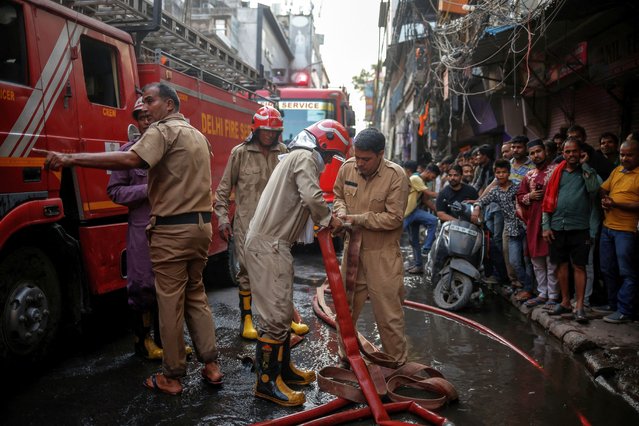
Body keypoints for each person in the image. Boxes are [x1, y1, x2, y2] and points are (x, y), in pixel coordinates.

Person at [35, 82, 223, 395]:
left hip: (172, 231)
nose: (145, 108)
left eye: (150, 101)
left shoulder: (163, 132)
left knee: (170, 303)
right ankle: (212, 366)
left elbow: (129, 161)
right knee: (196, 297)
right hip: (201, 228)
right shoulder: (198, 136)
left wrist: (70, 159)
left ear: (169, 105)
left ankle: (172, 376)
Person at [245, 119, 349, 407]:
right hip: (269, 244)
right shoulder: (303, 157)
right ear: (322, 144)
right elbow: (312, 196)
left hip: (275, 244)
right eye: (329, 156)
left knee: (280, 312)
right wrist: (330, 220)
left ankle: (284, 372)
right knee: (274, 318)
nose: (328, 163)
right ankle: (266, 384)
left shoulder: (294, 156)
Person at [214, 106, 310, 340]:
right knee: (247, 272)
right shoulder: (240, 153)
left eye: (274, 131)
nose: (269, 134)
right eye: (265, 130)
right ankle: (247, 319)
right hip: (247, 224)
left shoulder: (285, 152)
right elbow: (224, 189)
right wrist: (222, 218)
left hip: (277, 224)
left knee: (280, 270)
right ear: (255, 129)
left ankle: (287, 317)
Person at [333, 127, 409, 367]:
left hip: (382, 256)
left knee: (388, 316)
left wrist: (355, 219)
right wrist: (341, 213)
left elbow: (394, 218)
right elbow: (338, 197)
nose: (360, 163)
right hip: (352, 253)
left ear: (381, 154)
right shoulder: (347, 167)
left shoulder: (396, 175)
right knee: (344, 311)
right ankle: (347, 358)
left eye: (366, 159)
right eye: (357, 157)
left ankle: (395, 365)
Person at [106, 96, 164, 360]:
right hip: (141, 229)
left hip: (170, 226)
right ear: (137, 122)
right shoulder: (126, 153)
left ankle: (168, 342)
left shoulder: (171, 151)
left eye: (151, 116)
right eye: (142, 117)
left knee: (171, 287)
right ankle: (143, 341)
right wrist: (146, 189)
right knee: (142, 287)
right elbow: (115, 192)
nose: (147, 121)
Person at [542, 137, 601, 323]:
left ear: (580, 152)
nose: (571, 155)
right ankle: (566, 302)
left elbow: (594, 190)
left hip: (580, 227)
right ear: (563, 153)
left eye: (574, 151)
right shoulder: (556, 173)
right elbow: (546, 202)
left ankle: (580, 306)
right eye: (567, 152)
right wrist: (546, 226)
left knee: (579, 266)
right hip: (558, 226)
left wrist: (585, 166)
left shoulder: (587, 172)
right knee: (560, 264)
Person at [472, 159, 532, 301]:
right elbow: (482, 200)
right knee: (514, 261)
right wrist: (476, 208)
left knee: (528, 260)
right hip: (511, 229)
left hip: (526, 226)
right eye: (498, 173)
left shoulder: (518, 187)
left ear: (509, 173)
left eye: (504, 172)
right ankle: (523, 284)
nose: (501, 175)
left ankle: (529, 288)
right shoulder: (496, 191)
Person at [597, 135, 639, 323]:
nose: (624, 159)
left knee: (627, 272)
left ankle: (625, 310)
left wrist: (617, 204)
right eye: (622, 155)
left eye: (629, 155)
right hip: (608, 227)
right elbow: (603, 188)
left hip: (626, 230)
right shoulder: (617, 171)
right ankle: (612, 304)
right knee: (607, 268)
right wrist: (605, 199)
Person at [517, 139, 559, 307]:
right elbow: (519, 196)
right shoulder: (528, 175)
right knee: (536, 260)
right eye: (532, 153)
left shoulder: (556, 171)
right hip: (534, 222)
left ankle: (554, 295)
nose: (536, 155)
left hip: (552, 220)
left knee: (551, 260)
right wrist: (530, 196)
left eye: (538, 151)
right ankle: (542, 293)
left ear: (545, 151)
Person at [402, 161, 438, 274]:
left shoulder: (421, 181)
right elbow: (431, 195)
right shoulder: (416, 178)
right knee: (393, 237)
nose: (432, 179)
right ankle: (426, 248)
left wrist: (438, 210)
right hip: (407, 213)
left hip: (413, 211)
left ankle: (418, 265)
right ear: (428, 171)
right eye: (433, 176)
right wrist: (445, 193)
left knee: (415, 240)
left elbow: (425, 200)